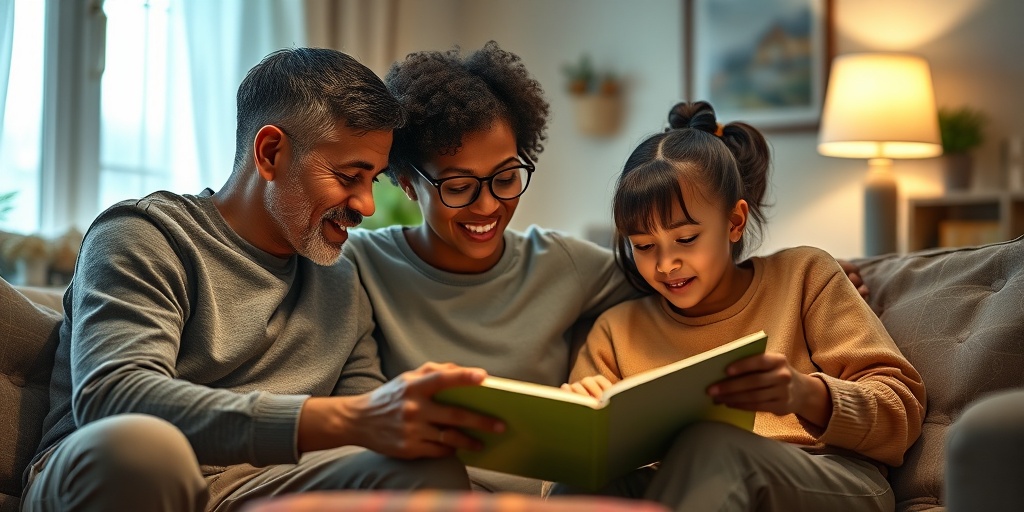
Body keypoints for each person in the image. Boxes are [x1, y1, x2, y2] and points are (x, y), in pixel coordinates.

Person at [341, 42, 872, 495]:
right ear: (409, 184)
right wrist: (582, 408)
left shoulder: (566, 266)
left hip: (801, 471)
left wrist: (812, 278)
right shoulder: (361, 266)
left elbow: (708, 277)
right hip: (443, 488)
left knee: (703, 448)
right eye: (458, 187)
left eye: (505, 177)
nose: (487, 206)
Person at [21, 47, 505, 512]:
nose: (366, 206)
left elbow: (366, 419)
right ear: (270, 152)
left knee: (422, 471)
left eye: (373, 179)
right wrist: (342, 419)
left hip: (260, 486)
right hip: (110, 471)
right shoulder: (146, 234)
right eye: (348, 175)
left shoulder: (339, 277)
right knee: (147, 448)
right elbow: (114, 398)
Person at [554, 101, 926, 511]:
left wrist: (805, 394)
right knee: (579, 484)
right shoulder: (616, 329)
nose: (665, 264)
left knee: (711, 444)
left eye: (686, 239)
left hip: (828, 479)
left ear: (734, 222)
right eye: (644, 246)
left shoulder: (804, 276)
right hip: (684, 491)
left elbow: (900, 411)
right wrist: (576, 419)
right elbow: (561, 477)